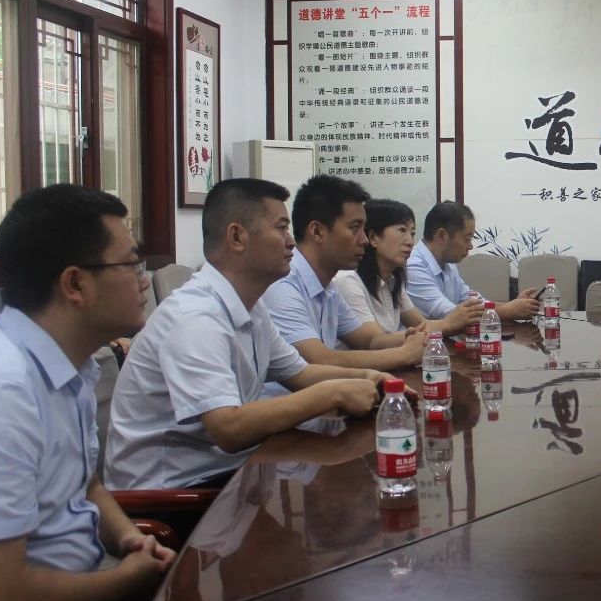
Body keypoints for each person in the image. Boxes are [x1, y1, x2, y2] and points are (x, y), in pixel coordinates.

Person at [104, 178, 395, 491]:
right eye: (281, 228)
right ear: (237, 237)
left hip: (228, 471)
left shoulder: (251, 307)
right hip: (175, 492)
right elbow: (228, 428)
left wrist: (368, 378)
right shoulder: (195, 317)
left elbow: (300, 373)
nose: (292, 242)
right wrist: (332, 393)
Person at [0, 184, 174, 601]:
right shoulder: (4, 392)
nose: (144, 280)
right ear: (74, 284)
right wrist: (124, 580)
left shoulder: (72, 363)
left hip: (86, 583)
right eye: (130, 264)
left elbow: (84, 483)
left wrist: (128, 538)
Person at [263, 175, 427, 369]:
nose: (364, 240)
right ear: (317, 231)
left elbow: (370, 341)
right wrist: (404, 354)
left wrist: (413, 338)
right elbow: (320, 360)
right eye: (355, 228)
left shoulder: (328, 287)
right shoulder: (283, 284)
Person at [334, 198, 478, 335]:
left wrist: (453, 322)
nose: (410, 241)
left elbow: (421, 324)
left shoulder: (393, 281)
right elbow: (375, 341)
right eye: (402, 230)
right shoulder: (348, 280)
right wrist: (449, 323)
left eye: (412, 233)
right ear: (373, 238)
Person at [406, 200, 538, 322]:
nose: (470, 246)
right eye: (467, 239)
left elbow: (473, 303)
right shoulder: (414, 267)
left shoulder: (448, 264)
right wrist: (507, 311)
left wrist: (513, 305)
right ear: (441, 235)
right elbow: (448, 314)